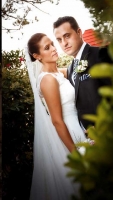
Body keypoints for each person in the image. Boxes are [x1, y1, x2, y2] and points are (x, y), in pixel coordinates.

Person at [26, 33, 87, 200]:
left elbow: (75, 72)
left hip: (79, 126)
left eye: (52, 44)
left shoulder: (59, 73)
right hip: (70, 133)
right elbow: (57, 121)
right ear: (37, 56)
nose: (54, 48)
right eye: (47, 47)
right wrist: (75, 155)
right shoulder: (47, 80)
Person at [53, 16, 112, 129]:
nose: (64, 43)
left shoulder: (100, 54)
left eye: (67, 36)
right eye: (59, 40)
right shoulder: (70, 69)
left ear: (79, 33)